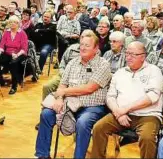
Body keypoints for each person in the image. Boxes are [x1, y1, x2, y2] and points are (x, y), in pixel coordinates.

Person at [35, 31, 111, 159]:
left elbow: (89, 88)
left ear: (96, 48)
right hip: (69, 103)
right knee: (46, 114)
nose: (82, 48)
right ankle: (42, 155)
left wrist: (64, 92)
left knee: (82, 123)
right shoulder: (73, 63)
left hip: (91, 106)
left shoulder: (103, 65)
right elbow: (62, 84)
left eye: (87, 45)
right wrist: (59, 98)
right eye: (81, 44)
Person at [91, 41, 163, 159]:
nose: (128, 57)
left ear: (143, 56)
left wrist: (125, 109)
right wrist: (118, 112)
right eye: (127, 53)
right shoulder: (120, 73)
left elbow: (153, 96)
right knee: (98, 128)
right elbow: (110, 96)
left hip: (147, 115)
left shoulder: (154, 71)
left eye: (133, 54)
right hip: (120, 114)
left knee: (147, 138)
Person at [0, 16, 28, 95]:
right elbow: (1, 45)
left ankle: (14, 86)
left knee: (13, 63)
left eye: (14, 22)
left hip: (20, 53)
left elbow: (24, 48)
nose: (12, 24)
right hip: (8, 53)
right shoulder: (6, 32)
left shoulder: (22, 33)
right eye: (10, 22)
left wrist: (17, 54)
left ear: (18, 24)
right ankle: (1, 81)